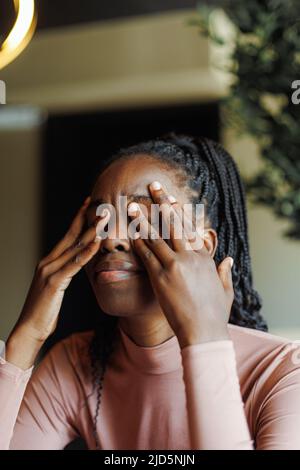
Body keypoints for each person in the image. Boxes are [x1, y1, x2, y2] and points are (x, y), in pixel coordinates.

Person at [1, 134, 300, 450]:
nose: (111, 237)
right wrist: (27, 337)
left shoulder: (283, 374)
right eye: (99, 220)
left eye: (139, 218)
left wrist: (204, 339)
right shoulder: (75, 364)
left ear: (203, 248)